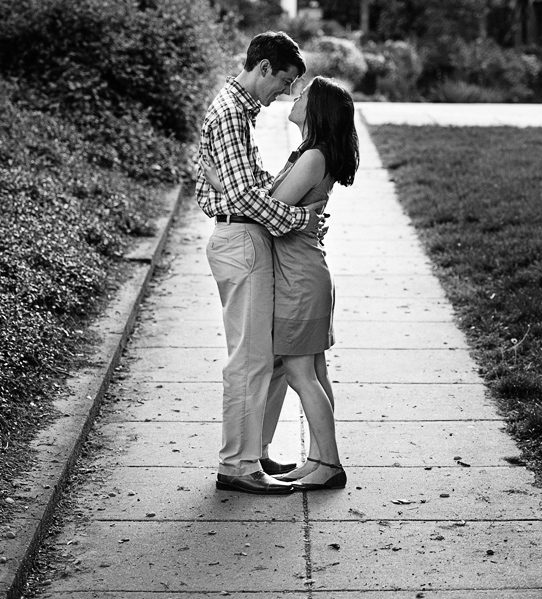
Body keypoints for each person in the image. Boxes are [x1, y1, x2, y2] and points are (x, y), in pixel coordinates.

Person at [204, 76, 360, 491]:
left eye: (304, 93)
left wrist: (223, 186)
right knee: (312, 372)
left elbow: (268, 210)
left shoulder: (313, 157)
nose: (295, 95)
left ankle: (329, 464)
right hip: (302, 272)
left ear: (317, 109)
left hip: (299, 278)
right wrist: (244, 193)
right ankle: (321, 459)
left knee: (299, 372)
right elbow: (271, 202)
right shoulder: (308, 153)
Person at [196, 31, 325, 496]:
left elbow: (236, 185)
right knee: (250, 361)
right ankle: (237, 465)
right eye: (285, 81)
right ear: (264, 67)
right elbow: (244, 195)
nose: (286, 92)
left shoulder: (237, 113)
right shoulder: (231, 113)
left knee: (268, 358)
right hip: (240, 241)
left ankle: (255, 451)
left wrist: (268, 199)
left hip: (246, 236)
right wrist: (299, 218)